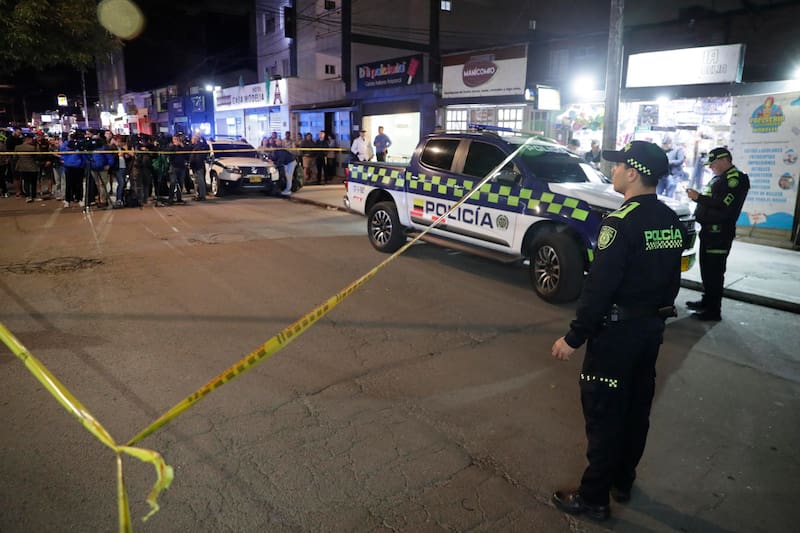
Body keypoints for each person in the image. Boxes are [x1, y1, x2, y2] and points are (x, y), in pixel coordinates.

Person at [550, 140, 687, 521]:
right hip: (650, 331)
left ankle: (593, 498)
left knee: (605, 413)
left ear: (633, 172)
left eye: (617, 166)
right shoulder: (669, 219)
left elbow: (599, 290)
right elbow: (672, 280)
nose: (611, 171)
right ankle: (622, 481)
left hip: (616, 337)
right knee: (635, 410)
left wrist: (573, 337)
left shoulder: (620, 223)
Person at [686, 147, 750, 321]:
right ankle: (707, 302)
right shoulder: (720, 178)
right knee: (707, 270)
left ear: (724, 160)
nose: (711, 167)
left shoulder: (735, 179)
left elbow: (723, 205)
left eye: (713, 163)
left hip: (719, 234)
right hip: (709, 232)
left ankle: (714, 311)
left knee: (714, 272)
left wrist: (698, 197)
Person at [14, 135, 40, 203]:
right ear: (28, 139)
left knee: (26, 182)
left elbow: (15, 157)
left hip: (22, 167)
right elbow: (38, 155)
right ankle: (33, 196)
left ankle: (28, 196)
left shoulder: (17, 147)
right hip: (32, 167)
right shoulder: (32, 148)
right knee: (33, 182)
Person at [166, 134, 189, 204]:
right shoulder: (171, 146)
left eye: (178, 139)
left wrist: (182, 146)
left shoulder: (183, 146)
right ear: (173, 140)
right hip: (173, 167)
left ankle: (179, 198)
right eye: (175, 139)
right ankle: (171, 198)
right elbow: (170, 153)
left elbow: (187, 154)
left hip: (182, 167)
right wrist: (176, 146)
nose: (177, 141)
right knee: (173, 183)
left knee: (181, 183)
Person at [190, 134, 208, 200]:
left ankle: (201, 196)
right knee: (197, 182)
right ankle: (198, 195)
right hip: (196, 167)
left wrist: (202, 137)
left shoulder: (199, 147)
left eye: (192, 139)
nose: (191, 140)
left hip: (198, 166)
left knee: (200, 182)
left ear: (195, 140)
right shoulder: (195, 146)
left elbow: (197, 158)